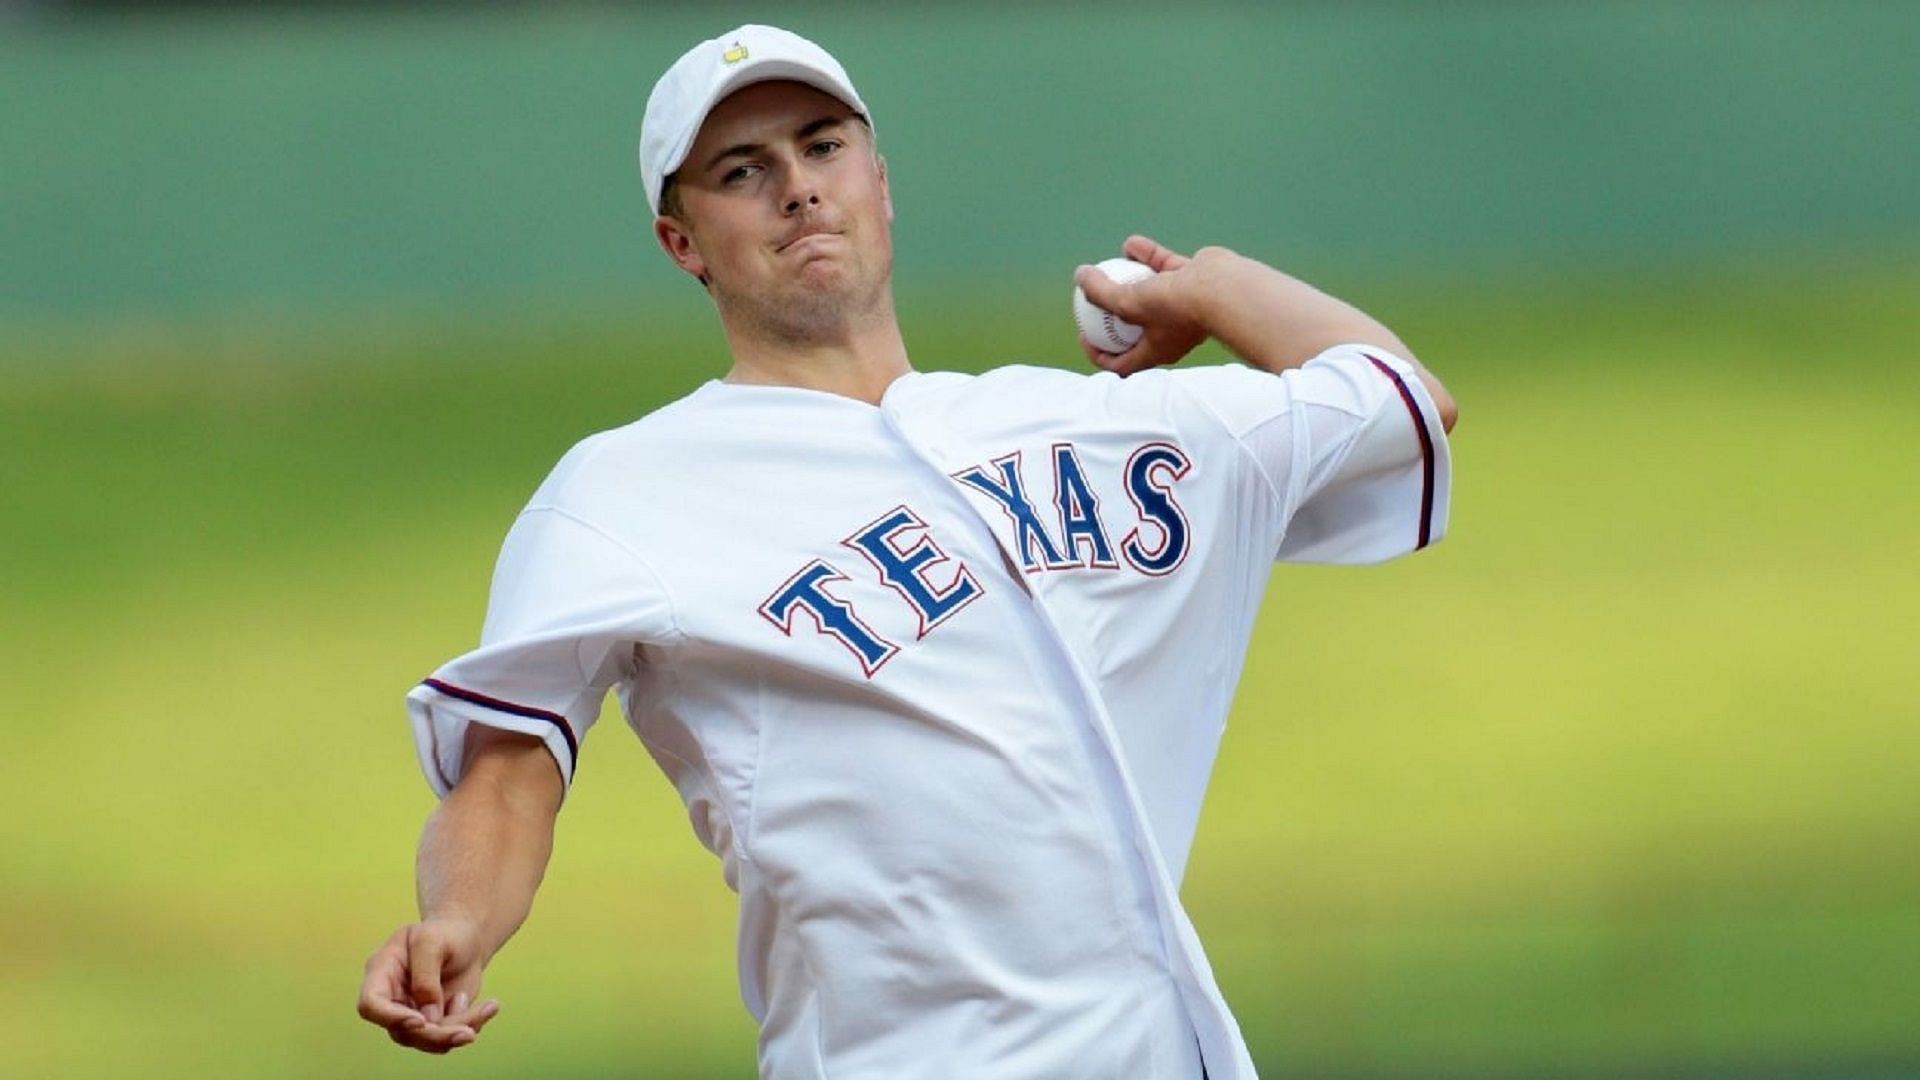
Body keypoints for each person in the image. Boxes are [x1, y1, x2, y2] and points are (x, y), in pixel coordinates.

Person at [356, 22, 1457, 1079]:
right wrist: (458, 920)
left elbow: (1399, 400)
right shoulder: (623, 492)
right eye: (742, 170)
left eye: (824, 147)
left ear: (882, 181)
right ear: (681, 241)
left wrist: (1211, 286)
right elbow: (508, 771)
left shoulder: (1086, 426)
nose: (798, 186)